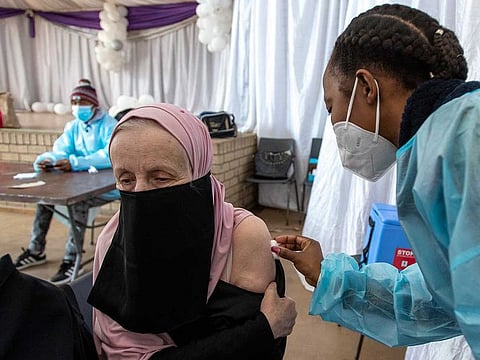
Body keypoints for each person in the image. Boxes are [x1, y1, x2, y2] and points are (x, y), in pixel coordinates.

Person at [271, 4, 480, 359]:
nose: (334, 121)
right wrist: (330, 276)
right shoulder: (440, 144)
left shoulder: (462, 141)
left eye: (330, 105)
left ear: (366, 87)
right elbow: (444, 295)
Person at [87, 104, 297, 359]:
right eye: (126, 179)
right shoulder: (111, 242)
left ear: (198, 170)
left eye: (161, 177)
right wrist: (262, 330)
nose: (140, 193)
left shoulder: (241, 237)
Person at [14, 79, 119, 285]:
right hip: (80, 181)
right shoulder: (73, 126)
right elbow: (61, 149)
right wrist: (48, 160)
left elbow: (109, 155)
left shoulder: (110, 125)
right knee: (45, 200)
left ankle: (73, 258)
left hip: (109, 185)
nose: (78, 106)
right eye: (74, 102)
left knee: (78, 202)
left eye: (82, 102)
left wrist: (75, 162)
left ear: (94, 104)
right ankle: (36, 250)